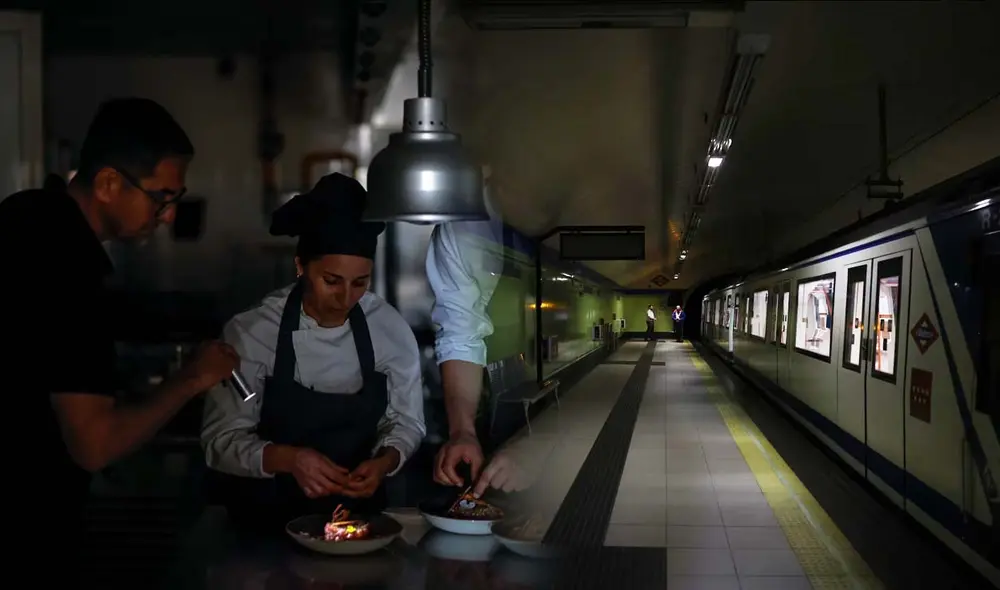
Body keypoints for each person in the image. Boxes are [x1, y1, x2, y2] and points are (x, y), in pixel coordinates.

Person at [0, 97, 239, 568]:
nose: (168, 215)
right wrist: (192, 377)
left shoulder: (24, 214)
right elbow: (94, 444)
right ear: (109, 183)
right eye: (161, 197)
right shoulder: (68, 267)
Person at [200, 173, 426, 530]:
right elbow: (221, 442)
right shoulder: (254, 332)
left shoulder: (389, 330)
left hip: (359, 526)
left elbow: (407, 420)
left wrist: (386, 460)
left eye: (360, 283)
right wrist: (288, 459)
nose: (346, 298)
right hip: (261, 529)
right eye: (331, 281)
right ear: (301, 266)